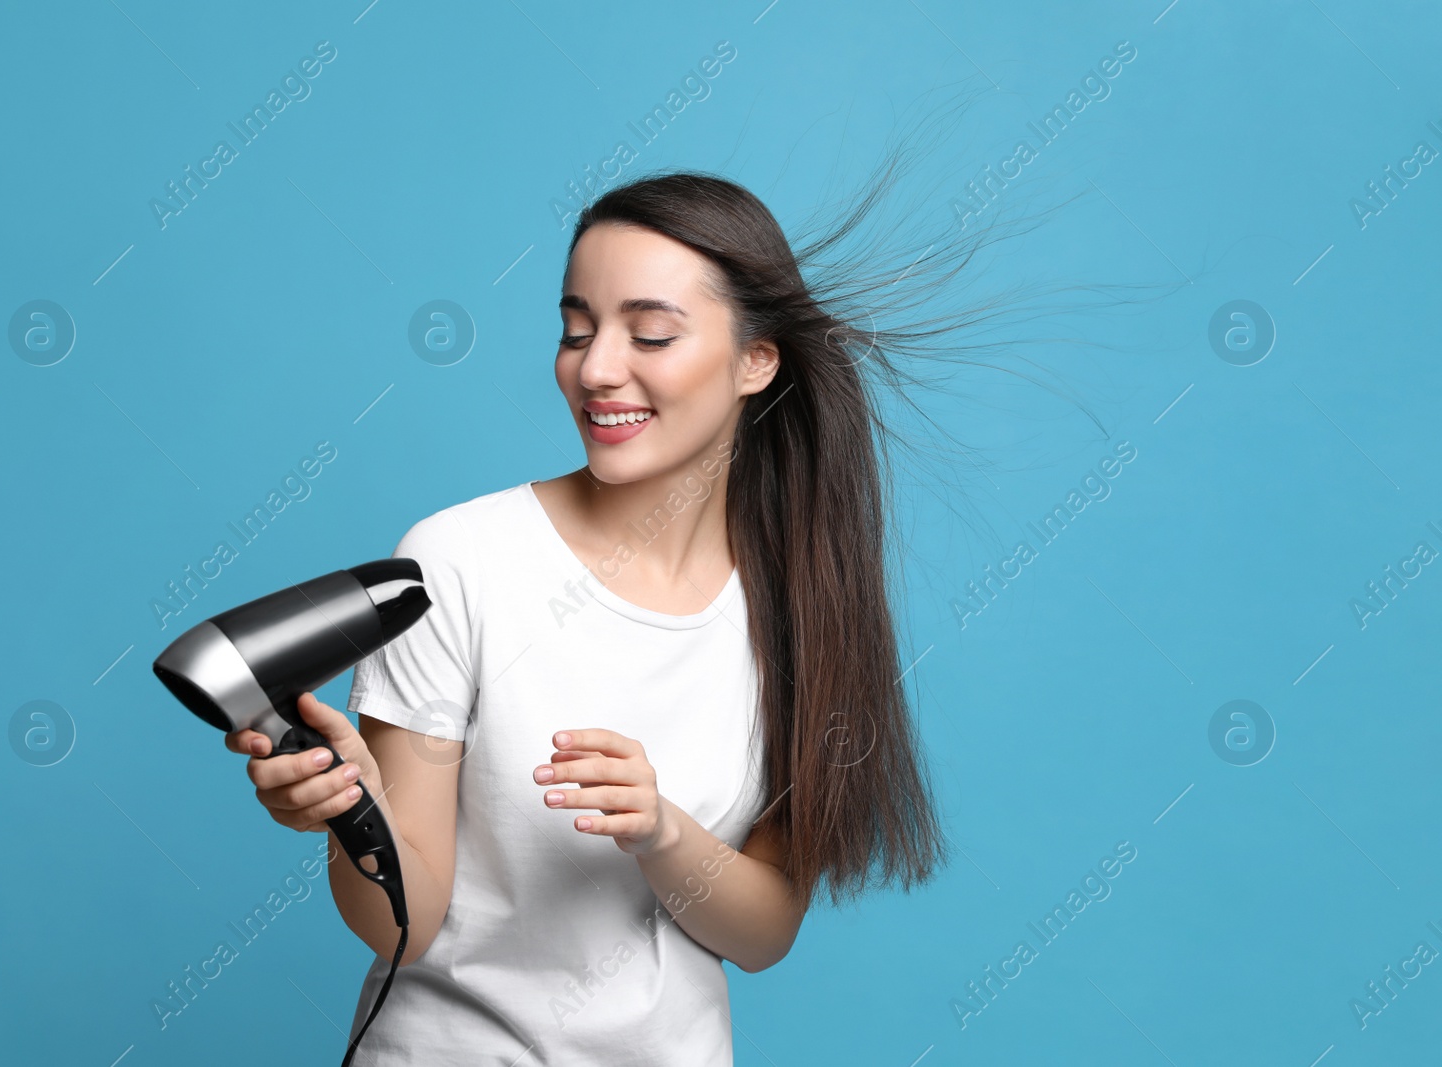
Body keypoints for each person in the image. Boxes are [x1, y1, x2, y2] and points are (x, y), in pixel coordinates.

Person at [222, 118, 1056, 1061]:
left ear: (757, 360)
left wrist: (662, 831)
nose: (596, 368)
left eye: (649, 332)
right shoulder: (459, 562)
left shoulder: (795, 602)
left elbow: (765, 932)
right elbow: (401, 926)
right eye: (577, 329)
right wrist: (351, 810)